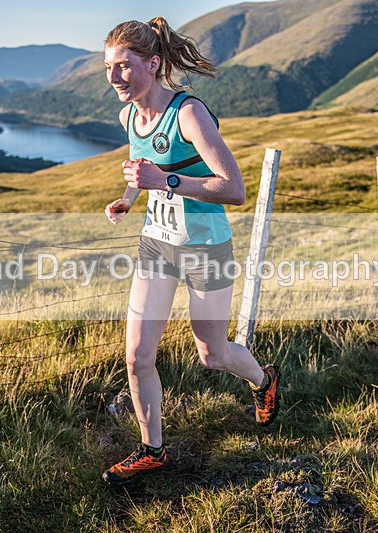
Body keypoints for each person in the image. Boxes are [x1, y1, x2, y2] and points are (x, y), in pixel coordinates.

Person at [101, 17, 280, 486]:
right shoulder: (129, 116)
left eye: (124, 66)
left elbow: (234, 189)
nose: (115, 76)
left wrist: (165, 182)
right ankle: (152, 449)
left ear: (153, 63)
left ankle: (264, 381)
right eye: (108, 67)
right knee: (138, 357)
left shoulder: (188, 113)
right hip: (157, 244)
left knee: (212, 354)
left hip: (205, 247)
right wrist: (130, 197)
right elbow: (145, 165)